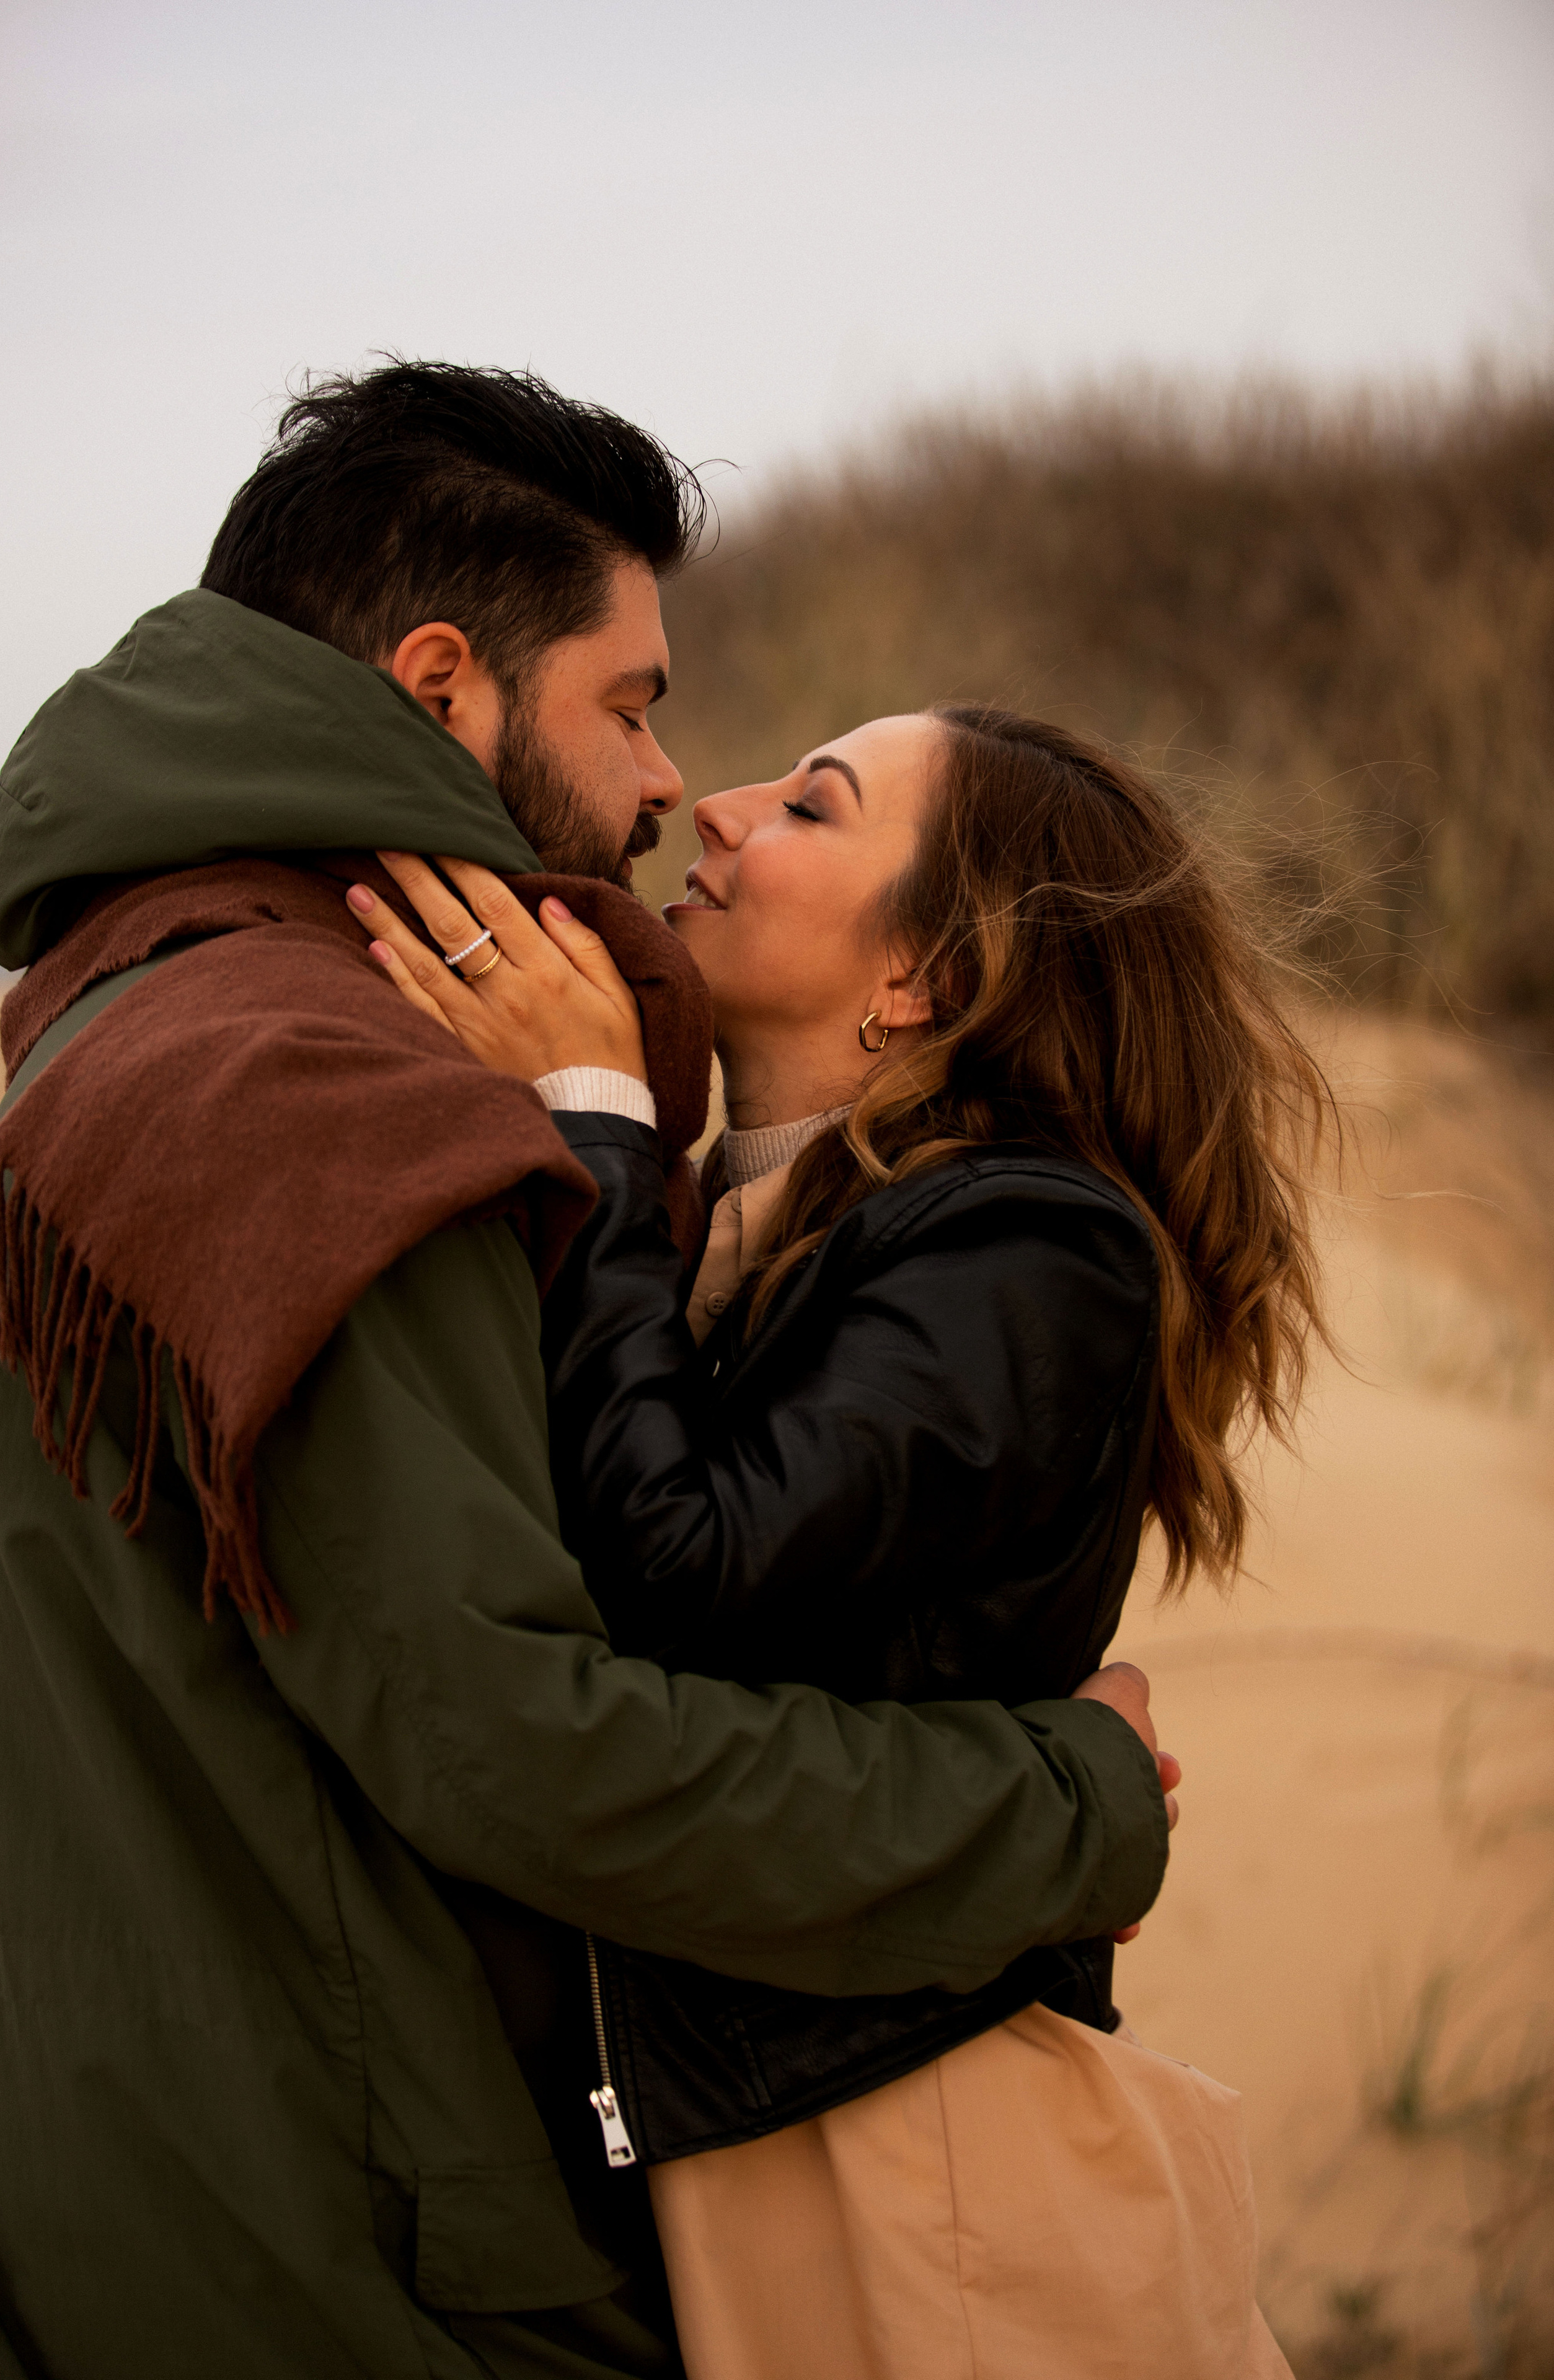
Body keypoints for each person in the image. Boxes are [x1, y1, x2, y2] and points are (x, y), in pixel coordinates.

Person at [0, 363, 1175, 2380]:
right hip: (340, 2262)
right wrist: (1074, 1805)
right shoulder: (326, 1090)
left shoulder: (132, 1014)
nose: (668, 789)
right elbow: (525, 1752)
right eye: (631, 706)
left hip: (116, 2189)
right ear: (444, 687)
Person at [359, 700, 1323, 2376]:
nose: (718, 810)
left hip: (938, 2189)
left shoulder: (1035, 1245)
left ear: (925, 978)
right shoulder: (761, 1226)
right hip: (788, 2155)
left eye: (813, 807)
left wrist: (595, 1119)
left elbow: (686, 1570)